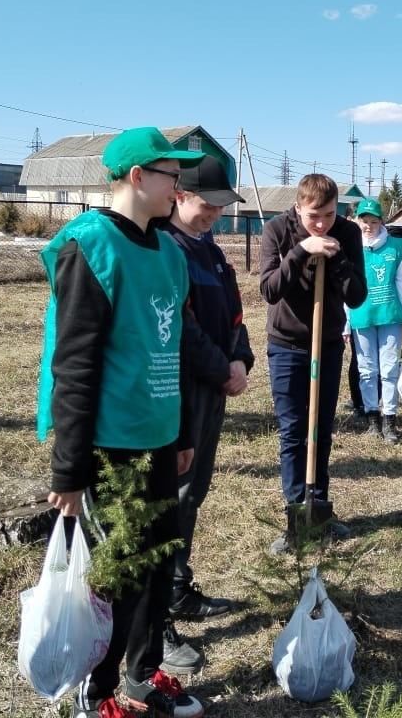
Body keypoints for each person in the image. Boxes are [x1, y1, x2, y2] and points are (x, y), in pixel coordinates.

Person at [37, 127, 205, 718]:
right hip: (112, 447)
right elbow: (74, 366)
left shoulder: (165, 250)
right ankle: (98, 690)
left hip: (159, 437)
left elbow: (175, 351)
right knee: (120, 572)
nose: (177, 188)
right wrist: (70, 468)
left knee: (159, 566)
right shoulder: (91, 248)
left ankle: (140, 676)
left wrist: (182, 433)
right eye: (171, 176)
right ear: (138, 177)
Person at [158, 155, 254, 674]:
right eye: (208, 202)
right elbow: (183, 328)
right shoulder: (167, 249)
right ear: (179, 197)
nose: (217, 212)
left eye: (223, 204)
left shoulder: (213, 252)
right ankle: (158, 610)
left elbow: (235, 314)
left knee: (193, 491)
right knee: (170, 493)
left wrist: (240, 358)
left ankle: (176, 586)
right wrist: (223, 369)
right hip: (180, 389)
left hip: (214, 387)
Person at [259, 174, 367, 554]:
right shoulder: (276, 230)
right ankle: (295, 509)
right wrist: (303, 249)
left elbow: (357, 297)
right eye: (313, 216)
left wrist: (339, 265)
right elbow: (269, 289)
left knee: (320, 429)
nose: (322, 224)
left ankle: (319, 507)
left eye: (329, 214)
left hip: (328, 343)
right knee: (293, 430)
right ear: (297, 208)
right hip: (287, 345)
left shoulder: (348, 234)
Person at [345, 198, 402, 445]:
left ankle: (390, 420)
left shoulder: (395, 247)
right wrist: (345, 324)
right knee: (367, 371)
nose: (368, 226)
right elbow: (344, 290)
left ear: (381, 222)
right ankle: (372, 419)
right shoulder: (351, 249)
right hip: (362, 316)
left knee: (389, 370)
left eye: (373, 221)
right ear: (357, 221)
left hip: (389, 316)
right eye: (364, 221)